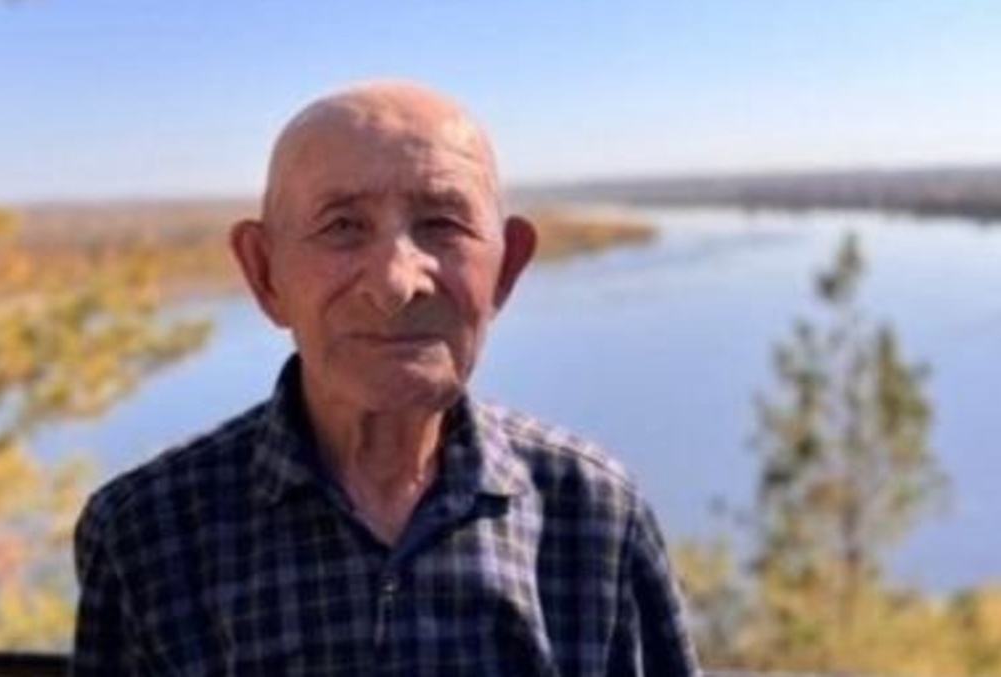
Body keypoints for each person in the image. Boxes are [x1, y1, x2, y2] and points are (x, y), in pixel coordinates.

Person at [71, 80, 700, 676]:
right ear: (265, 274)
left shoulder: (593, 515)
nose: (397, 283)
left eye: (443, 224)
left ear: (506, 269)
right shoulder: (148, 535)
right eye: (342, 226)